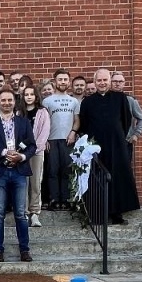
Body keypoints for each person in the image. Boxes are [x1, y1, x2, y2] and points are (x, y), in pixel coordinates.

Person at [78, 67, 141, 223]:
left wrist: (117, 135)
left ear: (109, 81)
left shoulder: (120, 98)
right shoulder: (87, 102)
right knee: (97, 178)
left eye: (105, 80)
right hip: (96, 146)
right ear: (94, 82)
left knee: (117, 178)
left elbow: (126, 121)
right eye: (99, 80)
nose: (102, 83)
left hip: (117, 145)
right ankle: (98, 215)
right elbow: (84, 124)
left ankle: (117, 214)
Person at [0, 88, 36, 262]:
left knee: (20, 213)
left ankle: (24, 250)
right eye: (3, 100)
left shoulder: (24, 122)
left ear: (14, 102)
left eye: (9, 100)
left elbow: (32, 146)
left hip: (19, 172)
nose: (6, 103)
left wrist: (22, 156)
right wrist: (4, 152)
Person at [42, 69, 80, 211]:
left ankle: (65, 199)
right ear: (55, 81)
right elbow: (43, 122)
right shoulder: (47, 101)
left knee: (66, 170)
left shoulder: (74, 101)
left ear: (68, 82)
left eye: (65, 79)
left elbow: (77, 120)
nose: (63, 82)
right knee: (52, 170)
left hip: (67, 140)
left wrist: (73, 132)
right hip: (51, 140)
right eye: (60, 79)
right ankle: (54, 199)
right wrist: (44, 139)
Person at [20, 82, 51, 226]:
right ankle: (24, 212)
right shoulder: (19, 113)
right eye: (26, 94)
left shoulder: (42, 112)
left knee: (35, 182)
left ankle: (34, 213)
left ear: (36, 96)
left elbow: (44, 133)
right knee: (23, 183)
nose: (29, 97)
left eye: (31, 94)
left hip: (37, 152)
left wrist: (34, 149)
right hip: (21, 153)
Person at [110, 70, 142, 145]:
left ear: (124, 83)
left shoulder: (130, 100)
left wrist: (136, 134)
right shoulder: (105, 99)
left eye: (120, 81)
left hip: (125, 141)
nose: (117, 84)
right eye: (114, 81)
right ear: (110, 82)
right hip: (108, 141)